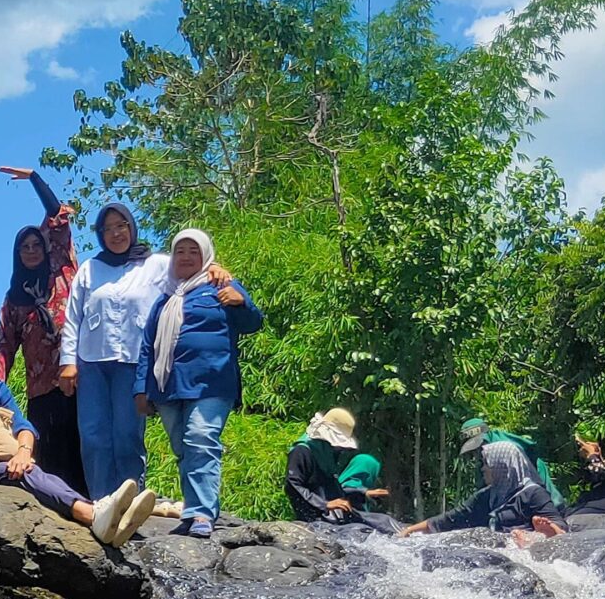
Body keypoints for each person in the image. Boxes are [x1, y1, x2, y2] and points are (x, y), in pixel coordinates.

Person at [0, 306, 153, 547]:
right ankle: (92, 514)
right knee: (27, 475)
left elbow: (23, 426)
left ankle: (101, 515)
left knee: (27, 468)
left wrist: (23, 453)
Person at [137, 230, 263, 539]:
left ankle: (202, 514)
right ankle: (193, 510)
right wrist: (140, 389)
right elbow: (146, 346)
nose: (186, 256)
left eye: (194, 251)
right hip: (169, 386)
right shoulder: (165, 300)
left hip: (211, 383)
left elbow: (253, 323)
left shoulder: (222, 285)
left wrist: (241, 302)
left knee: (201, 439)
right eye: (180, 251)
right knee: (183, 448)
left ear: (205, 256)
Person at [60, 201, 170, 501]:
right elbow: (73, 317)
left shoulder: (156, 264)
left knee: (127, 435)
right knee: (94, 436)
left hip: (134, 361)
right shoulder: (90, 269)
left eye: (121, 226)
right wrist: (67, 363)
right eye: (107, 229)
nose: (115, 234)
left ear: (132, 228)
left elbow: (190, 274)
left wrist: (215, 270)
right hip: (92, 362)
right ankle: (101, 501)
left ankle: (131, 498)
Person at [0, 165, 82, 491]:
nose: (31, 251)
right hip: (42, 391)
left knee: (86, 452)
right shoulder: (14, 299)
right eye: (24, 247)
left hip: (79, 379)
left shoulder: (62, 273)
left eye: (35, 245)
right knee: (53, 462)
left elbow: (57, 215)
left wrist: (34, 178)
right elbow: (4, 345)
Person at [400, 418, 564, 540]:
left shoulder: (508, 454)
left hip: (544, 510)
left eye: (486, 462)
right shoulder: (489, 494)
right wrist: (409, 530)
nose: (481, 466)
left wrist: (542, 532)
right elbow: (451, 518)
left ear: (499, 466)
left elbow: (558, 525)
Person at [285, 408, 397, 531]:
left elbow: (334, 488)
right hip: (317, 517)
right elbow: (292, 485)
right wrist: (325, 504)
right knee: (360, 532)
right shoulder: (302, 451)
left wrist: (363, 493)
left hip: (335, 514)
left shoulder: (327, 453)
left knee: (386, 522)